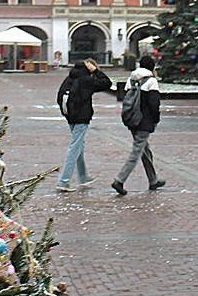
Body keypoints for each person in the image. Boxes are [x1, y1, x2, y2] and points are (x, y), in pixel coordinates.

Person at [55, 58, 112, 192]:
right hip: (82, 117)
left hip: (70, 116)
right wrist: (96, 71)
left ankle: (83, 176)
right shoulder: (86, 80)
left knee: (79, 144)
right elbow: (107, 83)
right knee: (75, 147)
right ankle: (64, 181)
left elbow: (60, 96)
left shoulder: (70, 77)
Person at [112, 55, 164, 194]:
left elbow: (127, 99)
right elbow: (154, 104)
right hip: (144, 121)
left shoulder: (131, 79)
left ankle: (153, 180)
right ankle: (119, 180)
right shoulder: (151, 81)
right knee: (136, 152)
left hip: (132, 119)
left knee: (145, 150)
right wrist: (155, 119)